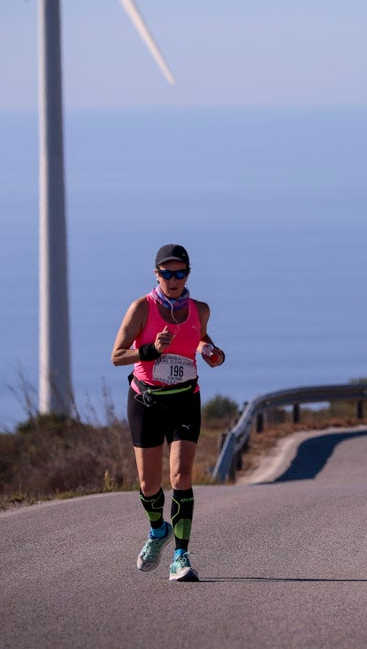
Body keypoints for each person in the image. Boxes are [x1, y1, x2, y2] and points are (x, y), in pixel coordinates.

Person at [112, 243, 225, 582]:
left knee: (181, 477)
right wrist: (149, 350)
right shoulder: (141, 309)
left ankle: (180, 555)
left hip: (185, 399)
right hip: (146, 400)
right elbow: (117, 356)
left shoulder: (199, 309)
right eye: (167, 273)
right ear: (156, 274)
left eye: (180, 273)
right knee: (149, 484)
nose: (174, 280)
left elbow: (201, 340)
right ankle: (158, 530)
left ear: (188, 274)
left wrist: (211, 352)